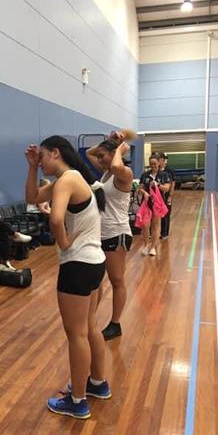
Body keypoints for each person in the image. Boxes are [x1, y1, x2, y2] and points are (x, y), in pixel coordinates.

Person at [25, 136, 109, 420]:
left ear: (55, 153)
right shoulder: (70, 179)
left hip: (78, 265)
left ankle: (77, 400)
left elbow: (56, 219)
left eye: (43, 157)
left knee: (76, 335)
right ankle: (97, 382)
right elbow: (32, 198)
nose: (41, 162)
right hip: (95, 262)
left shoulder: (66, 180)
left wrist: (62, 242)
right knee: (90, 327)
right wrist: (32, 168)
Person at [85, 132, 134, 340]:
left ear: (114, 155)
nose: (100, 159)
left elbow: (115, 165)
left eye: (104, 156)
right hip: (101, 234)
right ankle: (90, 319)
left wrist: (121, 147)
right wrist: (111, 141)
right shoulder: (106, 174)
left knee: (116, 280)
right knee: (96, 281)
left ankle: (115, 324)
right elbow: (89, 152)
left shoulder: (124, 173)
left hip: (117, 233)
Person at [138, 154, 172, 256]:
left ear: (159, 163)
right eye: (151, 164)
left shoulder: (164, 175)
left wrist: (158, 185)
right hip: (146, 204)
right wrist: (144, 193)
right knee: (145, 225)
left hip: (158, 204)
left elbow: (167, 188)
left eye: (155, 164)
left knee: (155, 225)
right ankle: (146, 245)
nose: (153, 166)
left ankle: (153, 247)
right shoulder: (145, 175)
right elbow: (140, 189)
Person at [160, 154, 175, 239]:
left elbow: (173, 183)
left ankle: (165, 233)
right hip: (158, 196)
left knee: (166, 214)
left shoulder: (169, 170)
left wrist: (170, 195)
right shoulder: (157, 170)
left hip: (167, 195)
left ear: (162, 159)